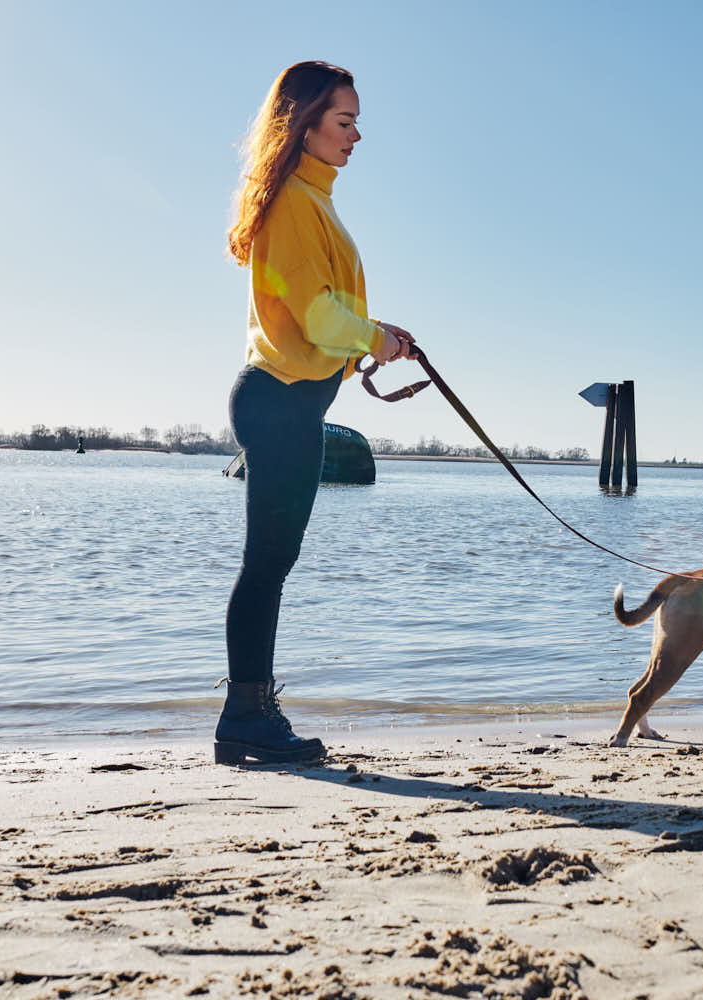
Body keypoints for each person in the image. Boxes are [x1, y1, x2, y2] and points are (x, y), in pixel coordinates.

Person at [217, 61, 414, 765]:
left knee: (272, 562)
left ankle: (251, 710)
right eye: (344, 121)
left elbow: (326, 308)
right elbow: (318, 315)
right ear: (304, 123)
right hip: (277, 404)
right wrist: (373, 338)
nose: (357, 135)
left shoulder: (311, 199)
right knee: (267, 565)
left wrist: (375, 333)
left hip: (287, 405)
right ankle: (246, 716)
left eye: (356, 121)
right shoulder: (296, 204)